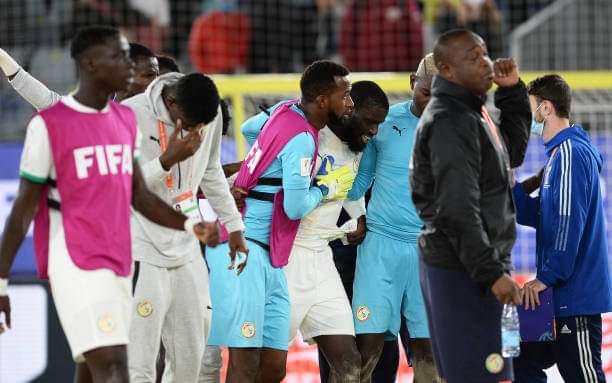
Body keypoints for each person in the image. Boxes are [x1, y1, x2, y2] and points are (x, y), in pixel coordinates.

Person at [0, 25, 213, 383]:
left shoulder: (132, 122)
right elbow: (24, 207)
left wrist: (192, 222)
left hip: (134, 254)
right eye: (142, 72)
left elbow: (147, 192)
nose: (146, 82)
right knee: (119, 364)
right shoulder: (72, 120)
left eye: (152, 76)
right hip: (91, 255)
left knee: (99, 363)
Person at [206, 60, 354, 383]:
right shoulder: (302, 138)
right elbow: (296, 206)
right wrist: (326, 187)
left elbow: (249, 130)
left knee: (273, 368)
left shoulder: (286, 110)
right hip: (246, 252)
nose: (350, 103)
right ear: (323, 100)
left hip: (271, 255)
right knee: (245, 364)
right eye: (345, 95)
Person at [237, 80, 389, 382]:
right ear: (346, 110)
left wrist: (358, 216)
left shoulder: (355, 143)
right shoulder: (307, 135)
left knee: (349, 365)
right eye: (369, 122)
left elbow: (344, 185)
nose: (373, 131)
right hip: (287, 258)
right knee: (269, 368)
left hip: (322, 259)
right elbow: (250, 131)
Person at [410, 29, 531, 382]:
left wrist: (511, 95)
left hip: (475, 264)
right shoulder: (451, 120)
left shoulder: (472, 113)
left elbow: (512, 154)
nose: (485, 63)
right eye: (472, 58)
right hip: (464, 269)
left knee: (491, 374)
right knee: (478, 376)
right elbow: (456, 208)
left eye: (485, 54)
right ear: (447, 70)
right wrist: (492, 273)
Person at [122, 70, 247, 382]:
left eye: (204, 126)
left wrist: (234, 226)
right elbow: (120, 186)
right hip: (141, 244)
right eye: (192, 125)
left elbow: (212, 169)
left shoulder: (210, 112)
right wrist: (166, 160)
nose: (198, 133)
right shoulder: (129, 115)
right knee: (141, 363)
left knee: (191, 356)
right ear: (172, 103)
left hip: (187, 243)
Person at [346, 53, 442, 382]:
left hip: (428, 252)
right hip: (380, 247)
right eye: (428, 92)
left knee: (429, 354)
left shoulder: (458, 131)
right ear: (413, 84)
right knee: (366, 351)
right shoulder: (385, 124)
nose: (434, 101)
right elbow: (359, 184)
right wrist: (347, 215)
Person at [512, 74, 612, 383]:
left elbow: (569, 223)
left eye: (532, 109)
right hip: (558, 293)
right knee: (521, 362)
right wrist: (512, 188)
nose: (530, 118)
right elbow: (542, 216)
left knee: (583, 376)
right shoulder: (558, 156)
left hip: (573, 294)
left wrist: (546, 277)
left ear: (545, 109)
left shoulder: (569, 153)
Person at [0, 42, 159, 109]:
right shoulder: (95, 112)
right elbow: (47, 101)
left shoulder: (170, 114)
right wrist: (3, 59)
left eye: (156, 75)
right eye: (148, 75)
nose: (155, 82)